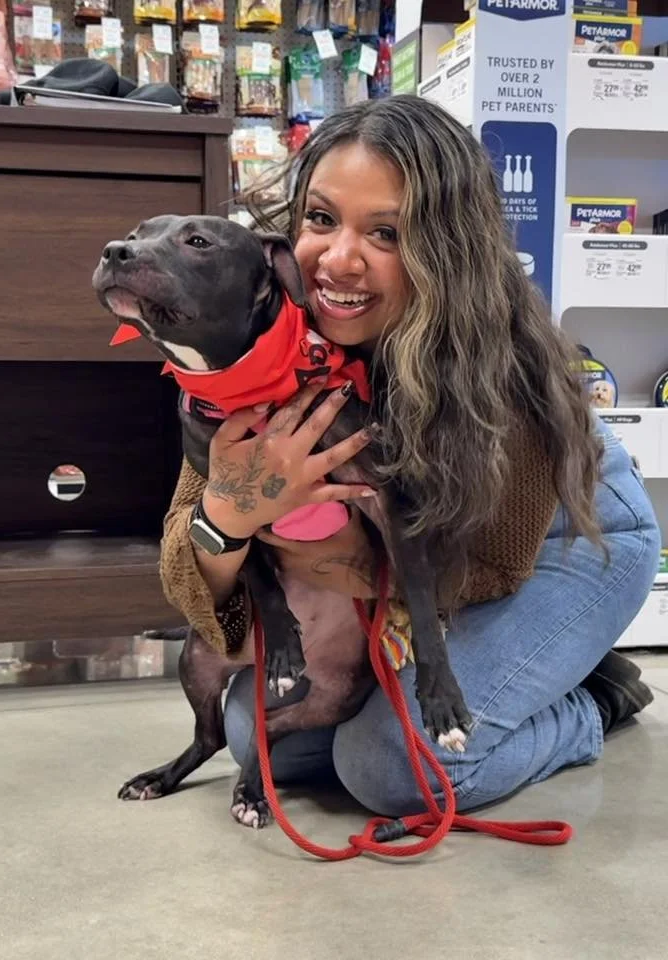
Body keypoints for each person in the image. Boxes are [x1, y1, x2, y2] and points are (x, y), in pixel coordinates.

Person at [158, 95, 660, 816]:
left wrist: (326, 558)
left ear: (443, 252)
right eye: (321, 219)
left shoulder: (491, 365)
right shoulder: (259, 339)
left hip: (566, 542)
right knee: (252, 730)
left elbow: (490, 566)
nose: (338, 260)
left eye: (387, 233)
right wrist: (230, 515)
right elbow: (188, 566)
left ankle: (588, 701)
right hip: (406, 567)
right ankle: (518, 682)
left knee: (391, 768)